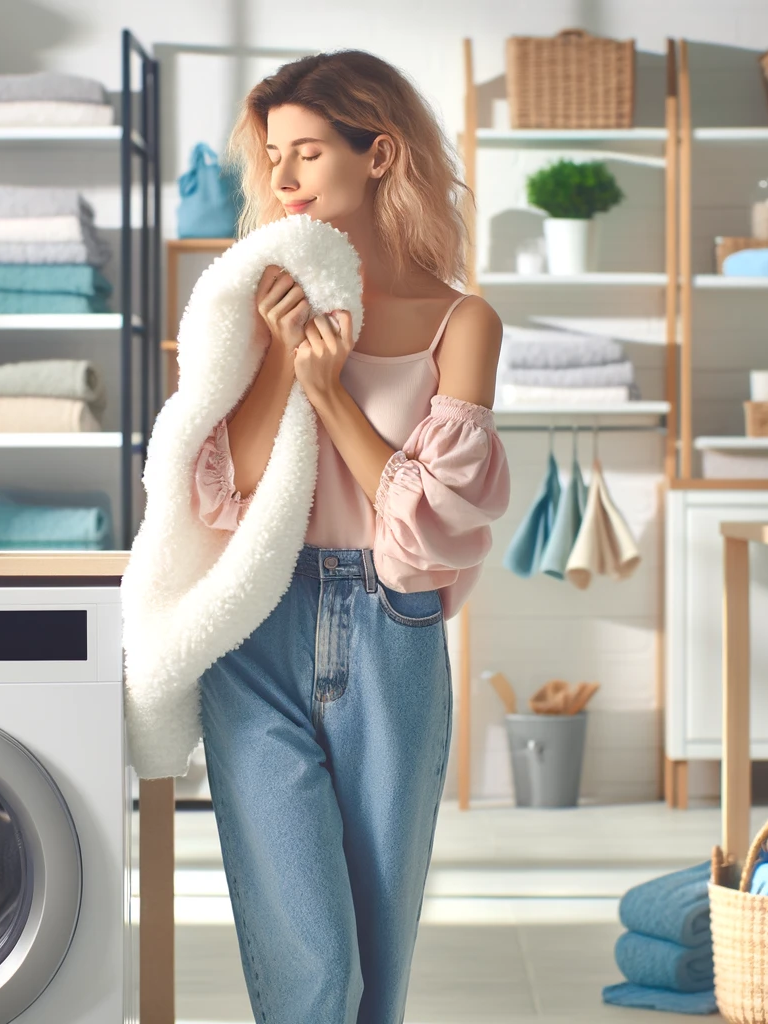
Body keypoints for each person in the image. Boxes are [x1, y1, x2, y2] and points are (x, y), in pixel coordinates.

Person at [191, 49, 512, 1023]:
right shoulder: (255, 299)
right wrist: (287, 361)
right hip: (256, 625)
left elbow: (428, 529)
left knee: (376, 968)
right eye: (272, 157)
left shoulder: (461, 322)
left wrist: (331, 395)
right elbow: (225, 490)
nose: (281, 181)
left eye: (307, 153)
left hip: (391, 635)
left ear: (378, 155)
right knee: (309, 963)